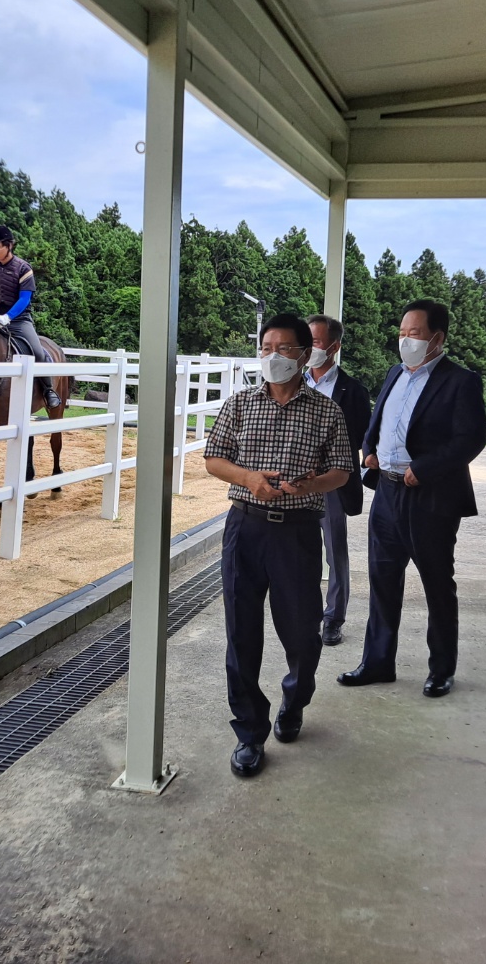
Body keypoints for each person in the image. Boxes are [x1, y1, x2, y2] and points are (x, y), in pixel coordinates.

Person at [203, 313, 352, 778]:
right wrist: (248, 477)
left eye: (283, 348)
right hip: (244, 528)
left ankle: (295, 698)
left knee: (303, 633)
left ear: (305, 355)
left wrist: (310, 486)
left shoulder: (326, 411)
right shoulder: (240, 403)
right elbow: (214, 458)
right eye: (265, 347)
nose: (272, 356)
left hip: (297, 533)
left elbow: (342, 469)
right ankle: (249, 732)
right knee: (241, 634)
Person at [337, 299, 486, 698]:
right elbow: (379, 418)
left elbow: (470, 439)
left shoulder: (460, 381)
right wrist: (368, 447)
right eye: (402, 333)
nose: (405, 340)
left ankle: (441, 668)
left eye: (414, 334)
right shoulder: (395, 374)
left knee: (437, 584)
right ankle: (377, 661)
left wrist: (424, 468)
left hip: (430, 497)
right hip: (386, 492)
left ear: (437, 338)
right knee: (382, 581)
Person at [304, 314, 372, 647]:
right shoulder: (292, 383)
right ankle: (303, 613)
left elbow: (359, 436)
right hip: (294, 485)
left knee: (335, 553)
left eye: (315, 342)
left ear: (334, 346)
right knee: (299, 552)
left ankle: (333, 618)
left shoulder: (352, 390)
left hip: (330, 483)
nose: (309, 349)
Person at [0, 225, 61, 410]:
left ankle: (48, 390)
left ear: (9, 246)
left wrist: (8, 317)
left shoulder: (24, 268)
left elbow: (25, 299)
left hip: (19, 321)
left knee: (37, 351)